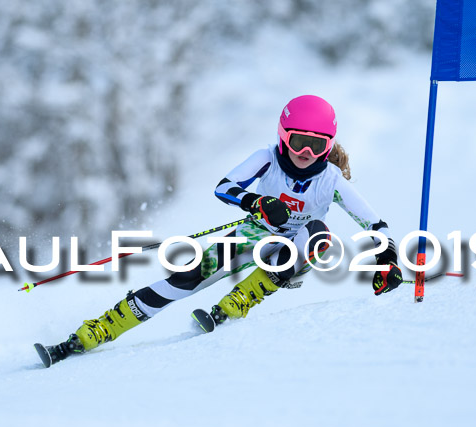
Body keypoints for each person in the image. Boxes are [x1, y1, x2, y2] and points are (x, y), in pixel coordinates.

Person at [35, 95, 403, 367]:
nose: (305, 152)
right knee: (187, 278)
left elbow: (374, 223)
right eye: (297, 141)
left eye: (317, 144)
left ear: (328, 145)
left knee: (319, 234)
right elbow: (224, 186)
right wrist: (254, 203)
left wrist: (387, 258)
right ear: (282, 136)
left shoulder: (331, 178)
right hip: (255, 232)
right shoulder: (267, 158)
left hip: (297, 247)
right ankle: (94, 332)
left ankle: (240, 300)